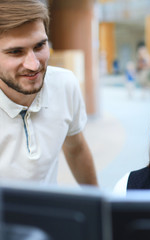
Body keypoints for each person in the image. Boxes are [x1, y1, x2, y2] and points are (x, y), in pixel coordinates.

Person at [0, 0, 98, 185]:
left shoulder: (64, 84)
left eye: (39, 46)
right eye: (16, 51)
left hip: (47, 211)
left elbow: (76, 148)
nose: (34, 65)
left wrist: (98, 205)